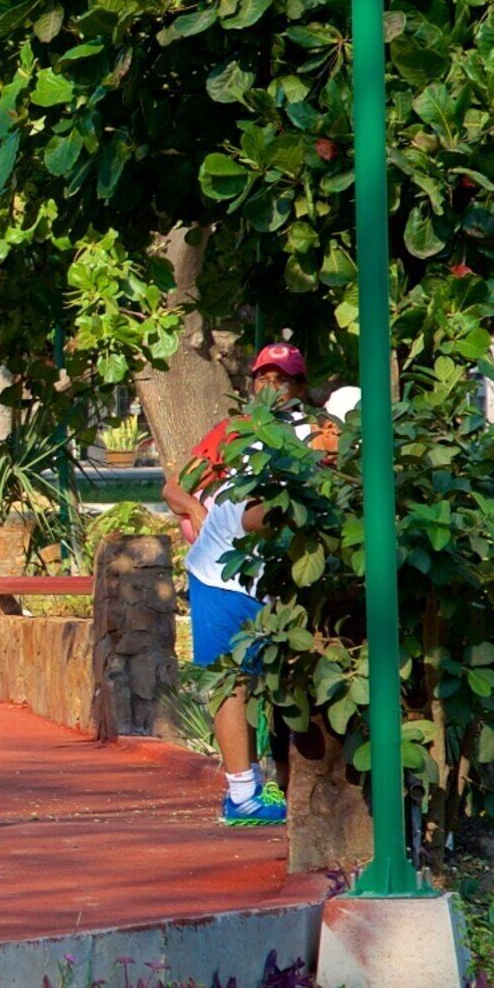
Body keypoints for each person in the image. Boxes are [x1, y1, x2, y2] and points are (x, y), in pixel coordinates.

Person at [163, 344, 318, 828]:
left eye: (282, 379)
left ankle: (289, 787)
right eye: (262, 378)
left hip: (282, 580)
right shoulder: (231, 433)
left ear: (299, 388)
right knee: (231, 681)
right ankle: (242, 794)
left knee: (288, 684)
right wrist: (195, 509)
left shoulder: (314, 436)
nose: (270, 387)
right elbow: (177, 489)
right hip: (218, 572)